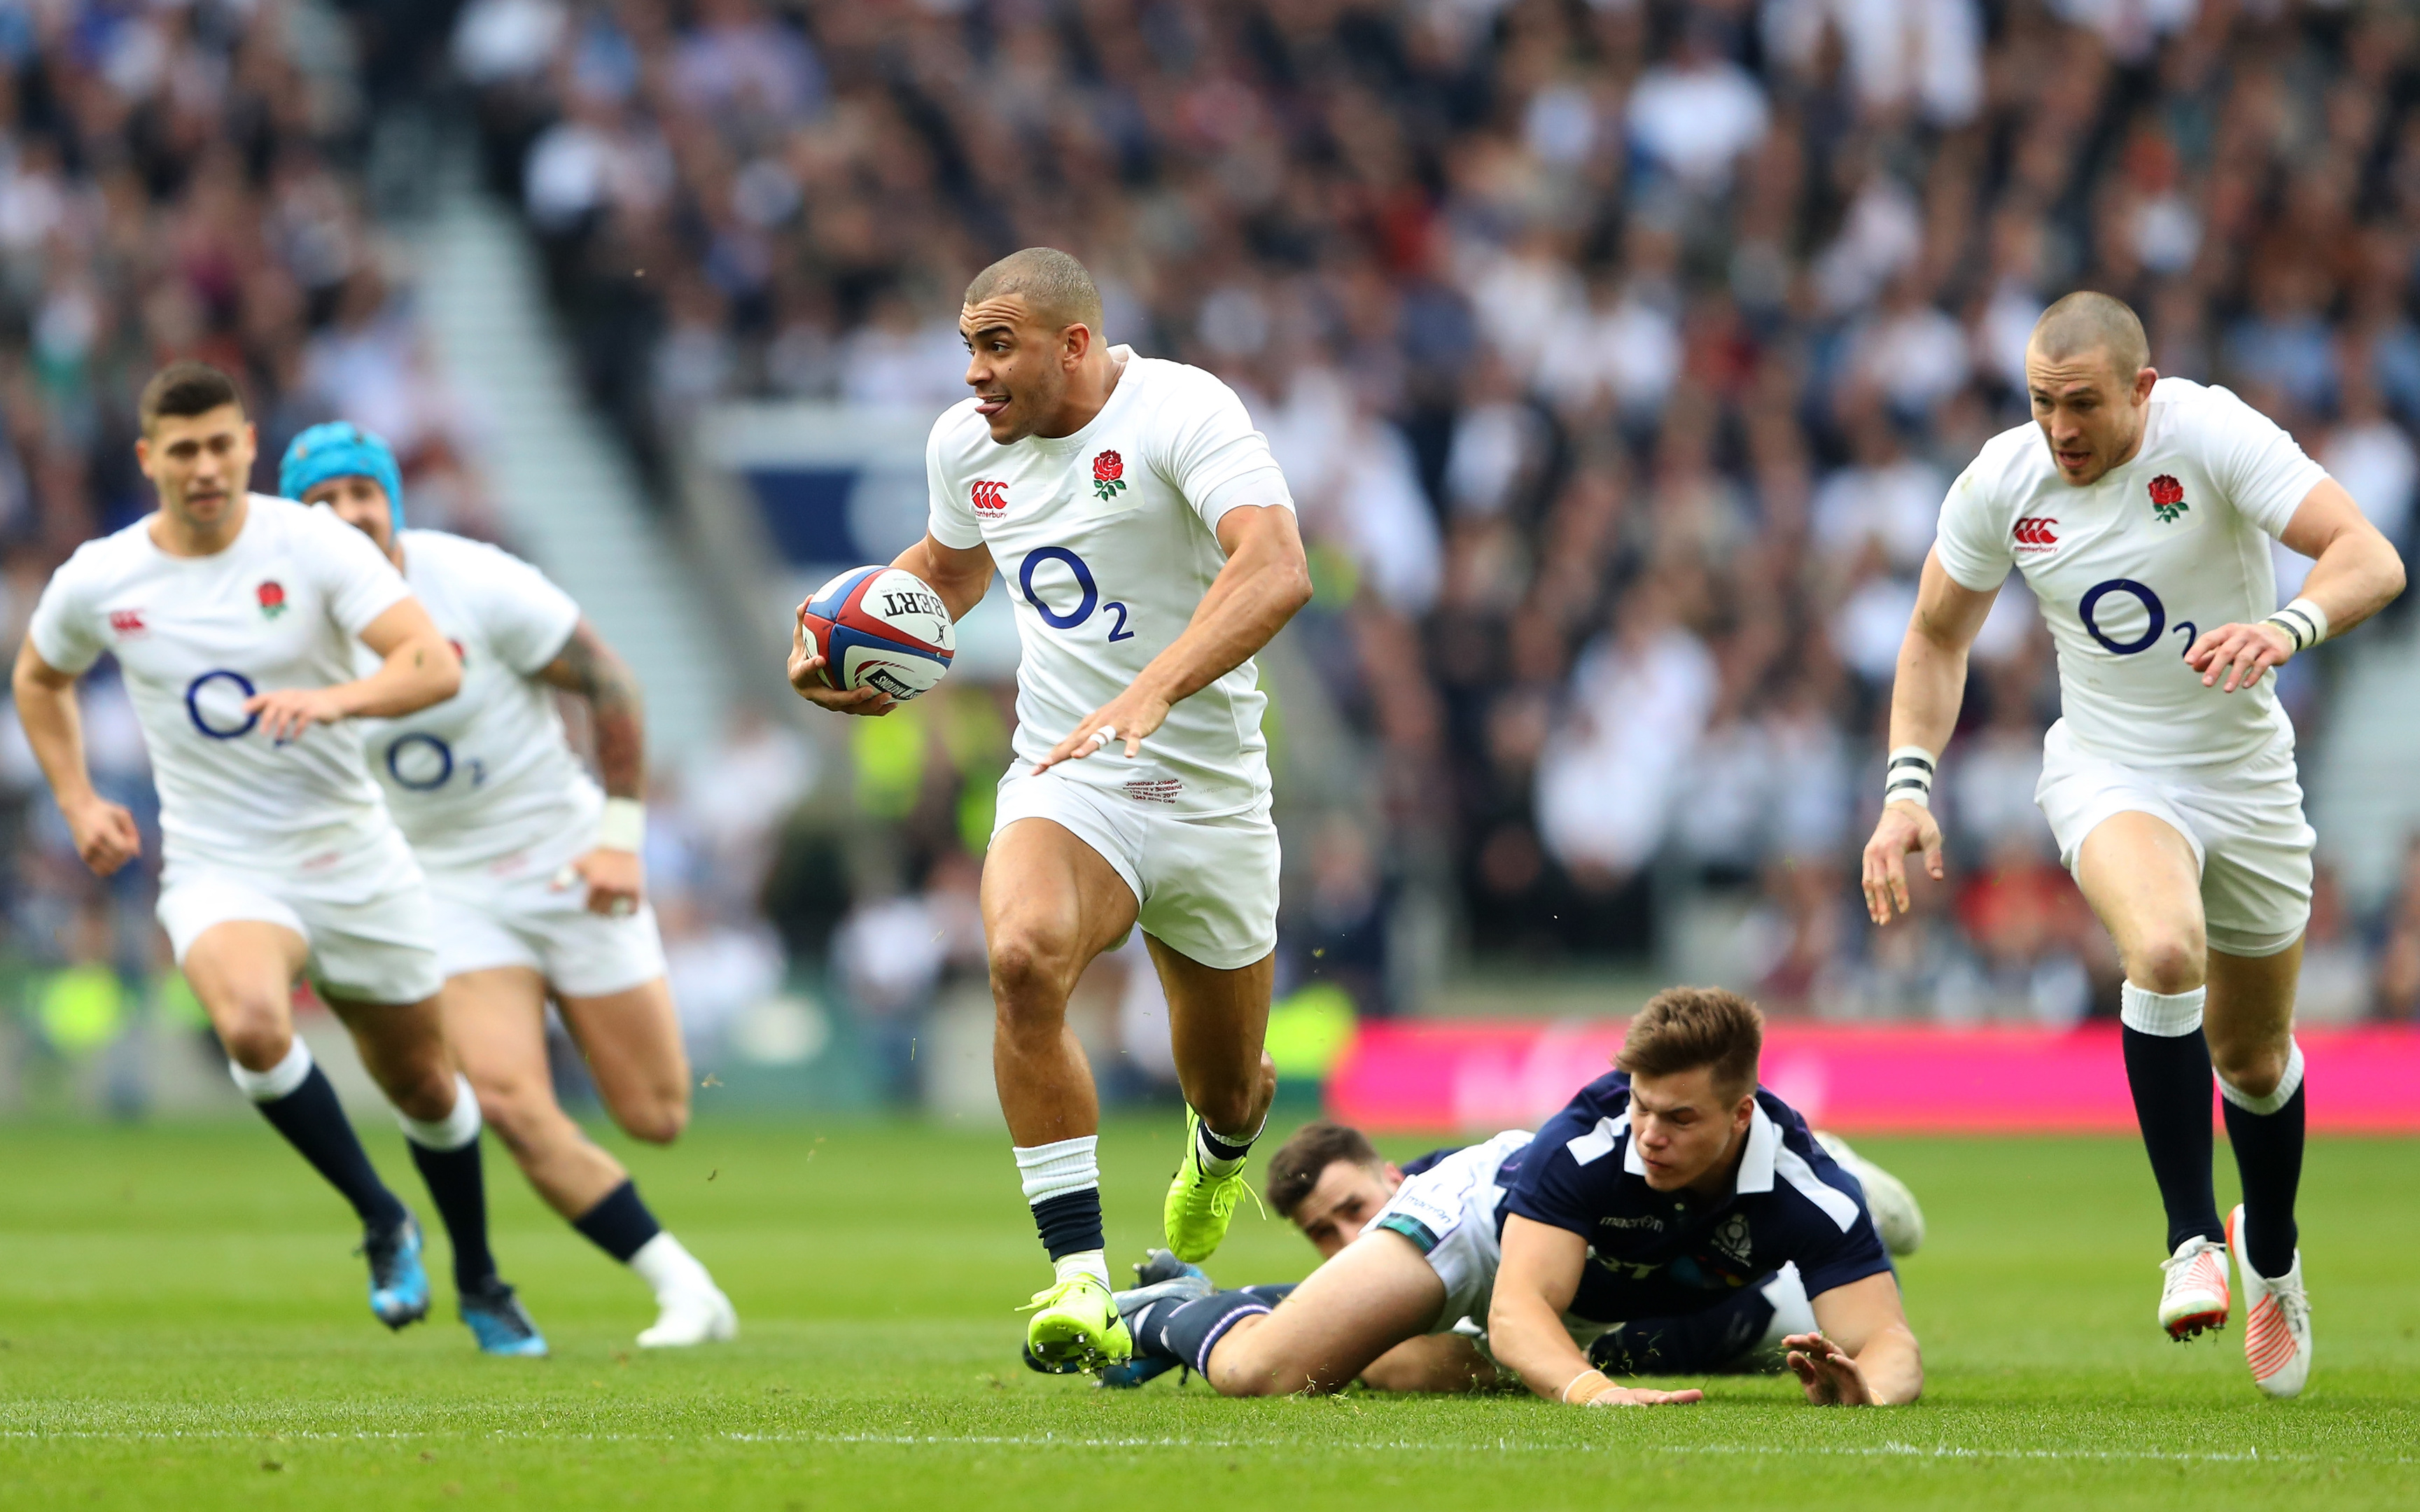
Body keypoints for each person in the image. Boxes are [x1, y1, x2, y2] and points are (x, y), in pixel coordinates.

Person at [1861, 292, 2407, 1400]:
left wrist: (2285, 625)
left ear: (2140, 392)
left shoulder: (2207, 434)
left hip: (2246, 781)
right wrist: (1905, 789)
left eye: (2081, 405)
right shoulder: (2003, 483)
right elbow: (1933, 635)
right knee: (2162, 952)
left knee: (2254, 1062)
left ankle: (2274, 1253)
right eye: (2040, 402)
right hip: (2110, 768)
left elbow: (2370, 556)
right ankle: (2190, 1239)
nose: (2059, 427)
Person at [787, 247, 1312, 1372]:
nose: (974, 373)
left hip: (1211, 795)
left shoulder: (1182, 408)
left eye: (997, 346)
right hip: (1069, 774)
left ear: (1073, 345)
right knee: (1022, 957)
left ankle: (1218, 1151)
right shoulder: (963, 444)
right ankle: (1075, 1276)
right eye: (966, 346)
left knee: (1228, 1080)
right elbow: (955, 568)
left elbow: (1275, 567)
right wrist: (850, 633)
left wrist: (1155, 686)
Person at [11, 362, 543, 1354]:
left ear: (248, 446)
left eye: (221, 445)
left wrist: (331, 701)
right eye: (183, 451)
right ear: (148, 460)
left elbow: (428, 662)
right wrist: (78, 799)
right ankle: (384, 1222)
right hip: (223, 863)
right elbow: (39, 679)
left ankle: (479, 1276)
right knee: (252, 1025)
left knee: (426, 1086)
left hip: (351, 852)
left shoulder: (313, 547)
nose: (205, 467)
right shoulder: (103, 576)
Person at [281, 421, 737, 1348]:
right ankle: (685, 1290)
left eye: (359, 494)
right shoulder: (286, 637)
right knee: (509, 1102)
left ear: (390, 501)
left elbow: (612, 683)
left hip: (567, 856)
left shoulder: (473, 579)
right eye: (319, 505)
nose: (345, 515)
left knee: (655, 1115)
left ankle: (682, 1286)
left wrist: (619, 838)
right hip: (445, 888)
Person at [1108, 988, 1924, 1407]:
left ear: (1742, 1114)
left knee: (1409, 1367)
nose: (1649, 1135)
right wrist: (1593, 1394)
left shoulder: (1808, 1195)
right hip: (1479, 1229)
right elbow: (1517, 1311)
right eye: (1639, 1107)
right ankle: (1167, 1307)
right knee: (1265, 1372)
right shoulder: (1585, 1142)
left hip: (1599, 1295)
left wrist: (1870, 1390)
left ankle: (1264, 1302)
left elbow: (1887, 1340)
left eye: (1678, 1119)